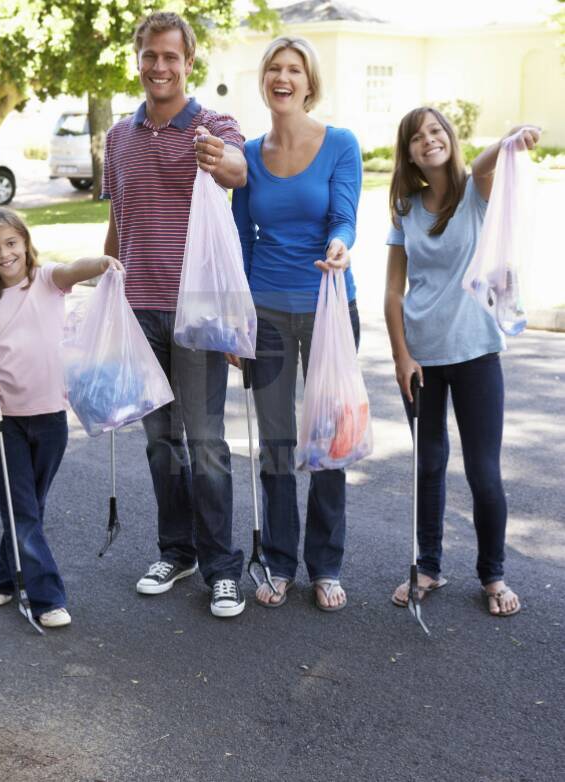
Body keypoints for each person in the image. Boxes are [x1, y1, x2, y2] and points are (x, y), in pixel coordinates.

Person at [102, 12, 248, 618]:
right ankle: (176, 550)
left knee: (207, 443)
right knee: (161, 444)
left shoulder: (213, 125)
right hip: (138, 310)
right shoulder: (117, 137)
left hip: (198, 314)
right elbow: (118, 220)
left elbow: (240, 170)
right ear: (137, 60)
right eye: (149, 56)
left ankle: (220, 567)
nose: (160, 67)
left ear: (189, 62)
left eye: (171, 57)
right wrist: (104, 293)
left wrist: (217, 158)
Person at [384, 107, 540, 617]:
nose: (428, 140)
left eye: (435, 131)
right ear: (408, 152)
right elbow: (392, 293)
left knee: (483, 473)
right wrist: (401, 355)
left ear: (449, 137)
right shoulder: (406, 208)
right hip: (423, 357)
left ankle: (493, 575)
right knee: (428, 466)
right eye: (416, 137)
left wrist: (511, 138)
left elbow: (488, 163)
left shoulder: (476, 190)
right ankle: (428, 566)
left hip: (475, 353)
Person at [232, 37, 362, 611]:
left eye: (295, 70)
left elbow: (344, 216)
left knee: (330, 437)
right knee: (277, 442)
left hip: (330, 308)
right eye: (275, 69)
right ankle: (280, 561)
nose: (283, 77)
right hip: (265, 313)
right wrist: (236, 319)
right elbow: (239, 239)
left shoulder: (340, 144)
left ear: (310, 83)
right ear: (265, 81)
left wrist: (340, 244)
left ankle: (326, 565)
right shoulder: (247, 154)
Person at [0, 207, 123, 628]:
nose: (4, 254)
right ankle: (47, 598)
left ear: (25, 243)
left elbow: (73, 269)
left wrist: (102, 263)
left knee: (30, 505)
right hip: (4, 418)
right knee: (23, 508)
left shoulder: (47, 280)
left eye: (11, 243)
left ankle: (4, 576)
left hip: (50, 418)